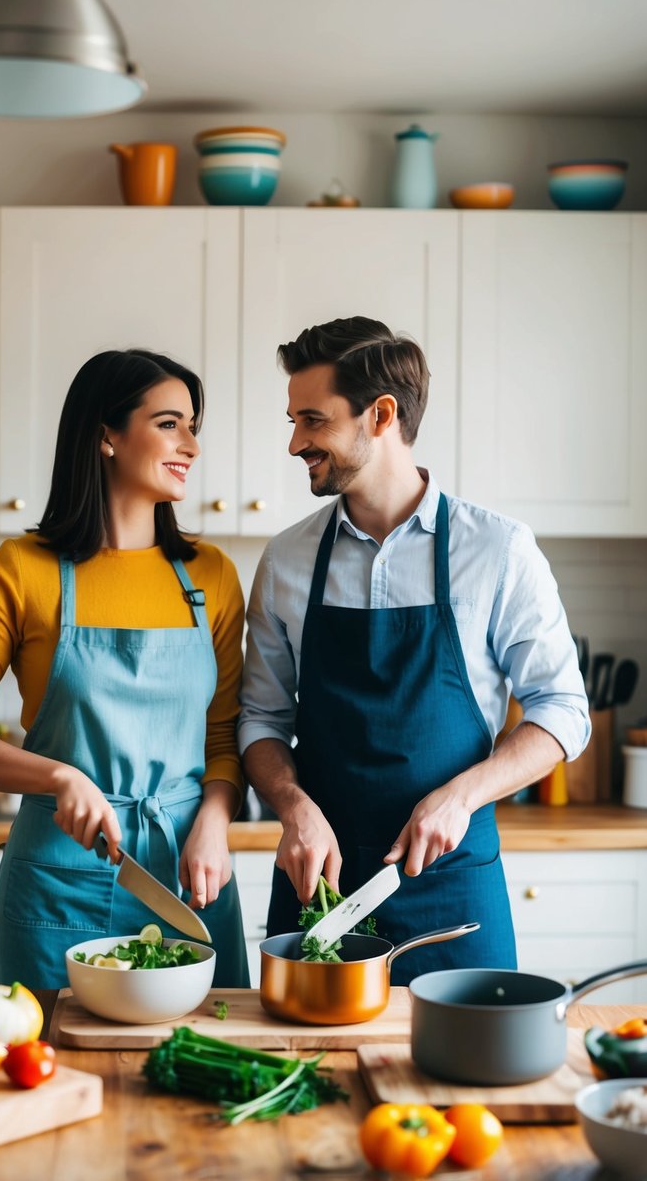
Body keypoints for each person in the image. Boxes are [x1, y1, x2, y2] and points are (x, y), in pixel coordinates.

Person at [239, 317, 590, 984]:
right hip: (320, 883)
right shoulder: (286, 559)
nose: (294, 442)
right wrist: (291, 804)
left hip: (452, 885)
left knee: (465, 1078)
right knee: (309, 1081)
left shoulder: (497, 550)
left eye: (312, 420)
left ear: (381, 415)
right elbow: (259, 719)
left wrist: (461, 797)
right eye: (293, 421)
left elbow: (563, 710)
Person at [0, 349, 249, 989]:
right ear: (106, 435)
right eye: (169, 424)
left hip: (189, 875)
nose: (191, 447)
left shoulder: (211, 576)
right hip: (55, 883)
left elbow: (224, 735)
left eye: (193, 426)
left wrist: (214, 820)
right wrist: (57, 776)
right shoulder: (22, 569)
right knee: (44, 1068)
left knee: (204, 1074)